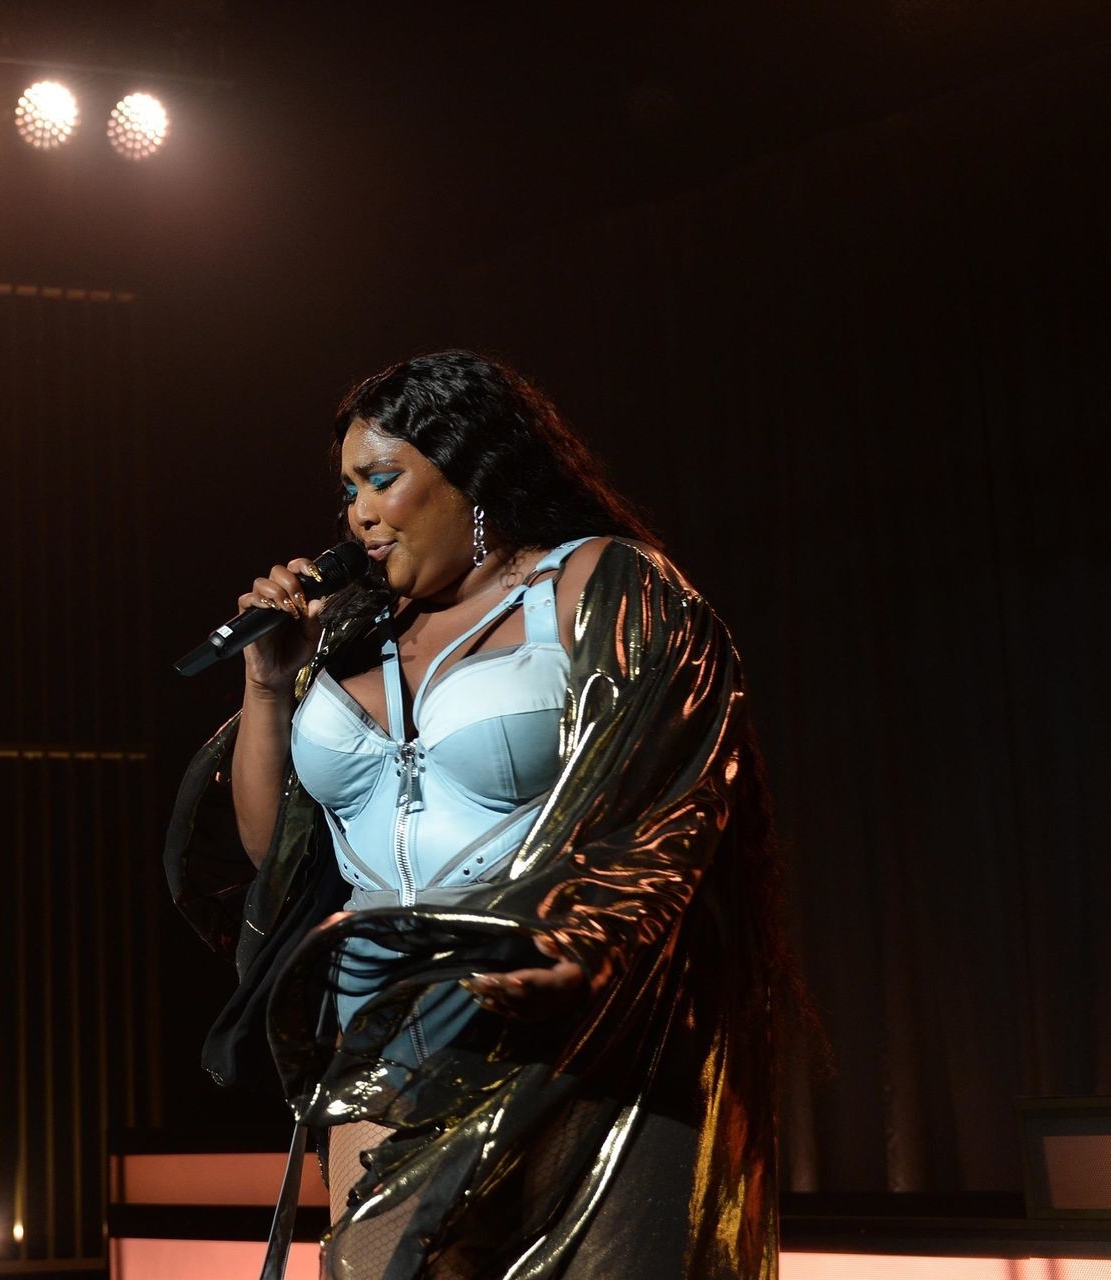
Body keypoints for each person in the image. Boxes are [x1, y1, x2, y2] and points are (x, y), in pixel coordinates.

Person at [164, 351, 793, 1278]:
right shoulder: (348, 633)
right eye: (348, 491)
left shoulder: (598, 585)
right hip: (384, 1031)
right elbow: (278, 860)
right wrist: (268, 683)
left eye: (383, 478)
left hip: (563, 1023)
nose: (359, 513)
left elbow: (670, 794)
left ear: (472, 469)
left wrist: (580, 941)